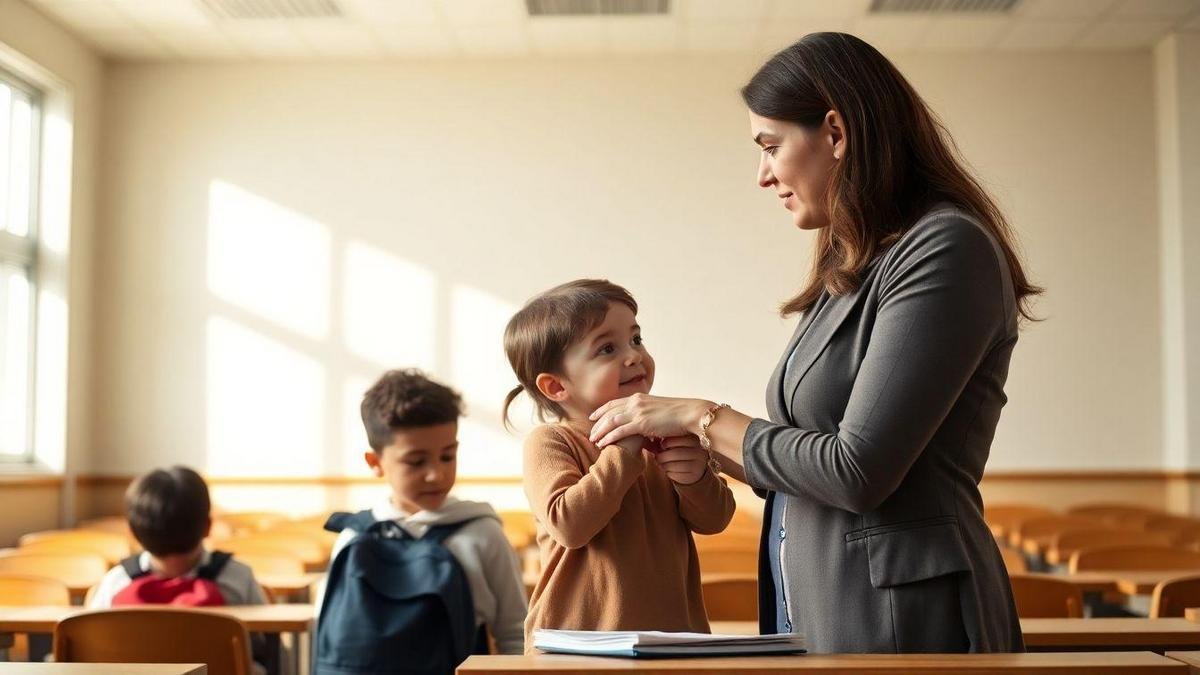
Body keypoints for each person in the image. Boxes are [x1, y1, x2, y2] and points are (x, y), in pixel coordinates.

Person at [587, 33, 1040, 653]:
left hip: (905, 617)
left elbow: (856, 471)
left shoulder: (944, 248)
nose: (762, 174)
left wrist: (700, 416)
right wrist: (700, 447)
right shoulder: (856, 261)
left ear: (835, 132)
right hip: (825, 606)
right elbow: (807, 467)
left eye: (771, 146)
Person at [502, 279, 736, 654]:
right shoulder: (551, 442)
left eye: (636, 339)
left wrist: (696, 478)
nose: (633, 356)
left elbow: (715, 519)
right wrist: (624, 451)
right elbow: (569, 525)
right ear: (556, 387)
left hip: (674, 644)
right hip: (574, 649)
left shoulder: (668, 431)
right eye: (607, 348)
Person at [321, 369, 527, 655]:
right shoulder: (351, 536)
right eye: (416, 462)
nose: (436, 474)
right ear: (375, 462)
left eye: (448, 456)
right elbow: (328, 636)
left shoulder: (483, 534)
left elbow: (516, 633)